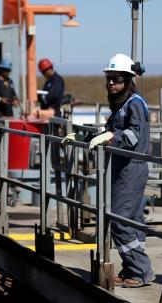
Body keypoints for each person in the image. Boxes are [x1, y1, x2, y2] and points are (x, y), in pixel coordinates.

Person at [66, 53, 154, 288]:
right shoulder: (122, 105)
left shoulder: (135, 103)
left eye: (116, 79)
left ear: (128, 80)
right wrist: (84, 135)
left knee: (119, 220)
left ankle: (141, 271)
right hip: (120, 166)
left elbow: (133, 135)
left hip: (131, 167)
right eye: (109, 79)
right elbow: (112, 132)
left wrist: (110, 138)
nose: (111, 84)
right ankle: (131, 269)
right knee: (132, 220)